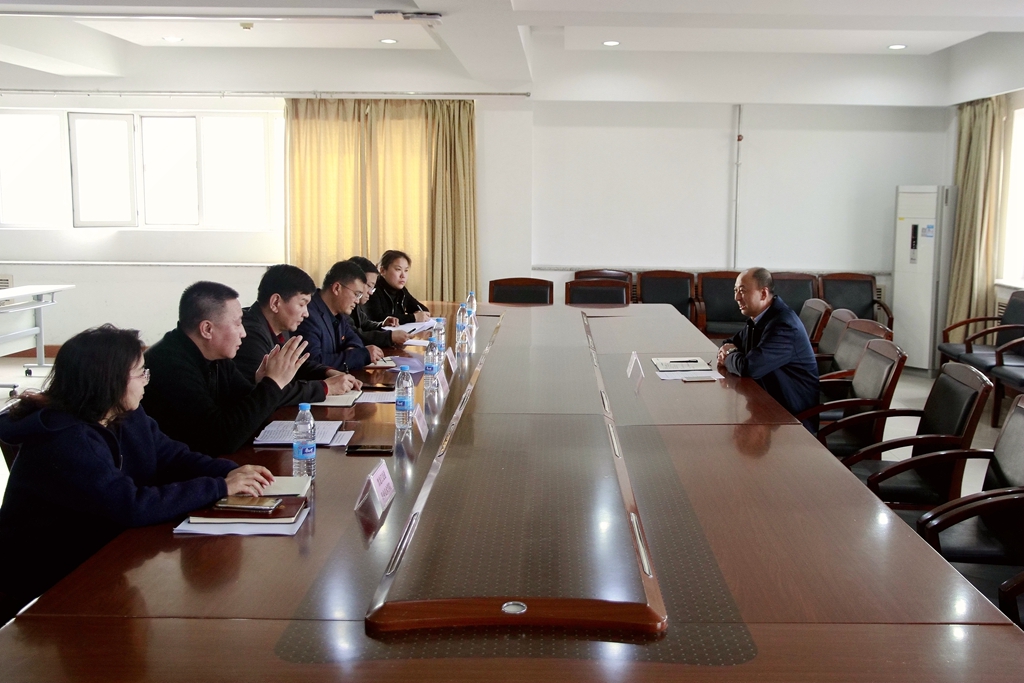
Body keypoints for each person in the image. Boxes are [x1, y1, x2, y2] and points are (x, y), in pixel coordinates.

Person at [0, 325, 275, 622]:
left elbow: (172, 456)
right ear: (110, 381)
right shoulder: (65, 440)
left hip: (101, 555)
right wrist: (219, 487)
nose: (147, 380)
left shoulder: (124, 414)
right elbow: (130, 505)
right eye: (141, 373)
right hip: (47, 582)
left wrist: (235, 473)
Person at [143, 281, 308, 455]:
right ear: (207, 329)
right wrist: (272, 384)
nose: (243, 333)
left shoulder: (216, 356)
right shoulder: (170, 366)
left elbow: (247, 415)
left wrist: (261, 386)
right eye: (237, 324)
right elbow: (220, 439)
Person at [234, 264, 361, 407]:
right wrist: (326, 388)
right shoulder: (249, 336)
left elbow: (295, 365)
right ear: (275, 302)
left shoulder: (280, 327)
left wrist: (328, 372)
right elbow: (271, 391)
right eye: (302, 304)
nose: (306, 313)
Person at [717, 268, 819, 430]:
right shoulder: (760, 318)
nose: (736, 297)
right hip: (766, 403)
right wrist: (730, 351)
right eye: (735, 291)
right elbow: (730, 342)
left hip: (791, 418)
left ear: (763, 293)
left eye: (742, 291)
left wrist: (729, 354)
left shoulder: (783, 325)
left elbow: (749, 368)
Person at [296, 260, 378, 371]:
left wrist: (352, 350)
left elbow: (354, 338)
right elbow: (314, 362)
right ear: (336, 288)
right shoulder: (307, 314)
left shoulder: (338, 312)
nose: (357, 301)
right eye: (356, 294)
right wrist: (359, 355)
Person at [346, 256, 410, 348]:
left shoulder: (355, 304)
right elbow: (355, 336)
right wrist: (389, 337)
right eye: (369, 286)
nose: (371, 292)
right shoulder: (344, 306)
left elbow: (365, 324)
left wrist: (382, 324)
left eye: (373, 288)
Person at [364, 250, 431, 325]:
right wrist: (413, 317)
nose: (403, 275)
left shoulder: (401, 290)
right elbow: (377, 318)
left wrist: (420, 314)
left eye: (406, 270)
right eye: (398, 269)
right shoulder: (373, 289)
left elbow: (422, 309)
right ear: (382, 271)